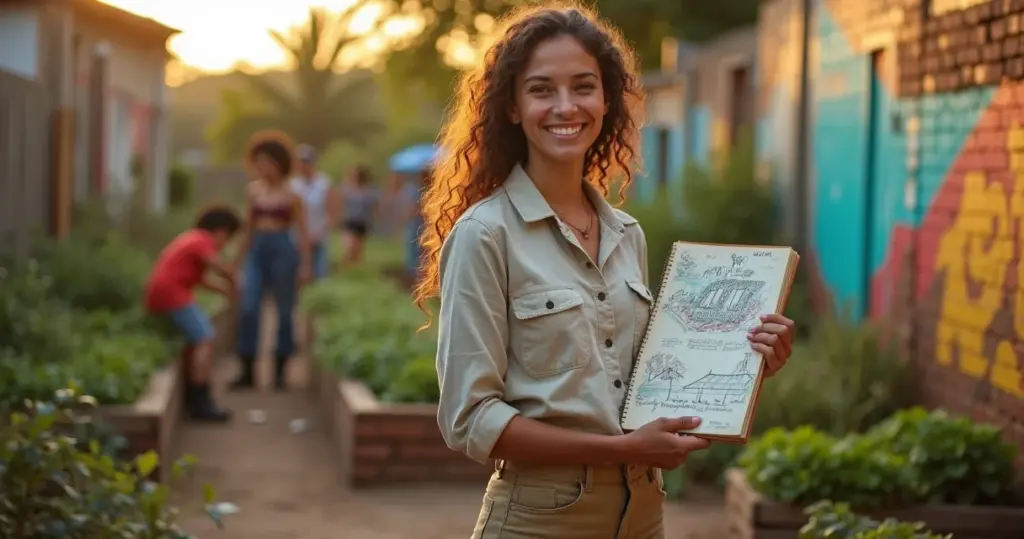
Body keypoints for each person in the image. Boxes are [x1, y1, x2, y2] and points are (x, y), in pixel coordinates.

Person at [411, 6, 797, 538]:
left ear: (607, 99)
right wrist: (620, 449)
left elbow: (642, 382)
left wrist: (744, 360)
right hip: (539, 520)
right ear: (512, 107)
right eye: (541, 89)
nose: (565, 106)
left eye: (583, 86)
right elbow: (471, 419)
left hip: (643, 514)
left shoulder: (626, 234)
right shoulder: (485, 235)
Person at [231, 132, 312, 392]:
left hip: (283, 249)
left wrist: (305, 264)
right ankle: (247, 368)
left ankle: (279, 370)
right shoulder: (253, 191)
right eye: (259, 161)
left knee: (284, 310)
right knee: (249, 307)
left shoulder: (293, 194)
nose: (263, 167)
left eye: (268, 161)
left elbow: (302, 232)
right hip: (258, 250)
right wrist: (235, 262)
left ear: (280, 163)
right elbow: (247, 229)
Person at [145, 205, 241, 422]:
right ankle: (200, 399)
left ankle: (196, 396)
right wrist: (234, 280)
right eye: (227, 239)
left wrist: (225, 290)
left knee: (196, 339)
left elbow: (201, 280)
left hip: (168, 293)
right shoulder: (200, 240)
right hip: (171, 294)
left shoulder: (191, 239)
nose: (224, 244)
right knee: (205, 337)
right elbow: (218, 266)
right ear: (221, 231)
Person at [290, 144, 335, 280]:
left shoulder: (324, 183)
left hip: (318, 236)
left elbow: (331, 212)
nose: (303, 166)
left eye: (306, 162)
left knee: (319, 274)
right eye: (301, 162)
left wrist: (319, 232)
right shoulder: (292, 185)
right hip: (296, 238)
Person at [338, 164, 379, 265]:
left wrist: (374, 219)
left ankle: (355, 268)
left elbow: (374, 206)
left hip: (362, 222)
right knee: (349, 246)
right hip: (349, 221)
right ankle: (346, 265)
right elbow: (339, 203)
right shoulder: (346, 189)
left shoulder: (369, 190)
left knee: (358, 249)